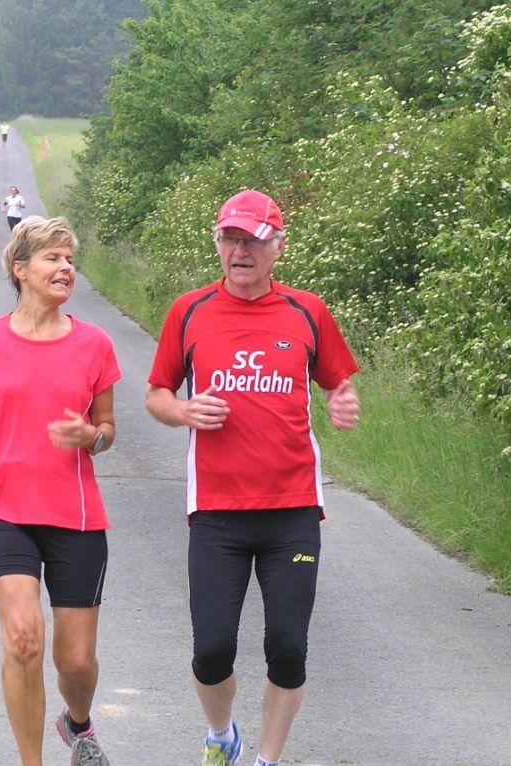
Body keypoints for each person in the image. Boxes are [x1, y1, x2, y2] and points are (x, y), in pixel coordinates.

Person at [145, 189, 360, 766]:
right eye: (230, 239)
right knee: (212, 649)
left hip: (292, 510)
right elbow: (157, 394)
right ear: (217, 243)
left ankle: (267, 759)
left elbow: (337, 380)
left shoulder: (307, 311)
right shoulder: (189, 311)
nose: (240, 251)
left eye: (253, 241)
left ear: (277, 248)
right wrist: (183, 410)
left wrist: (341, 399)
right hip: (216, 511)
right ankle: (222, 734)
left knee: (288, 647)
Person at [0, 216, 119, 766]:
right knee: (23, 639)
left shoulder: (94, 344)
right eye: (53, 258)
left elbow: (107, 429)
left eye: (70, 260)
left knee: (76, 663)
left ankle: (78, 724)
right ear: (20, 269)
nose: (66, 268)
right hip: (5, 512)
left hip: (76, 516)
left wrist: (91, 437)